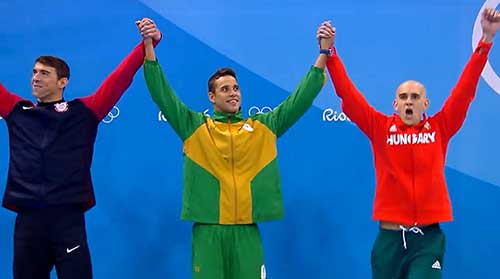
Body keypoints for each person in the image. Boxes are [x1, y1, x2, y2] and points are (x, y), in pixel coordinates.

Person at [137, 20, 333, 278]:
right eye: (225, 89)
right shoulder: (194, 127)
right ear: (211, 96)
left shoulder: (264, 127)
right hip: (208, 232)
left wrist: (324, 53)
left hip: (246, 232)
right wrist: (149, 45)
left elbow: (300, 99)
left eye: (236, 88)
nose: (233, 94)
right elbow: (162, 93)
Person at [318, 8, 500, 279]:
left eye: (415, 96)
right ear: (395, 104)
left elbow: (464, 91)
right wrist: (330, 54)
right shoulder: (380, 128)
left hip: (428, 240)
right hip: (389, 240)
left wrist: (485, 41)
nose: (409, 101)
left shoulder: (441, 127)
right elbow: (348, 94)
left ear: (426, 104)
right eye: (403, 96)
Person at [0, 18, 161, 278]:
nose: (35, 78)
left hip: (68, 222)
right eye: (34, 72)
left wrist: (149, 42)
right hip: (28, 222)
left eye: (44, 73)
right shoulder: (17, 111)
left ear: (62, 82)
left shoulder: (85, 111)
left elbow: (121, 77)